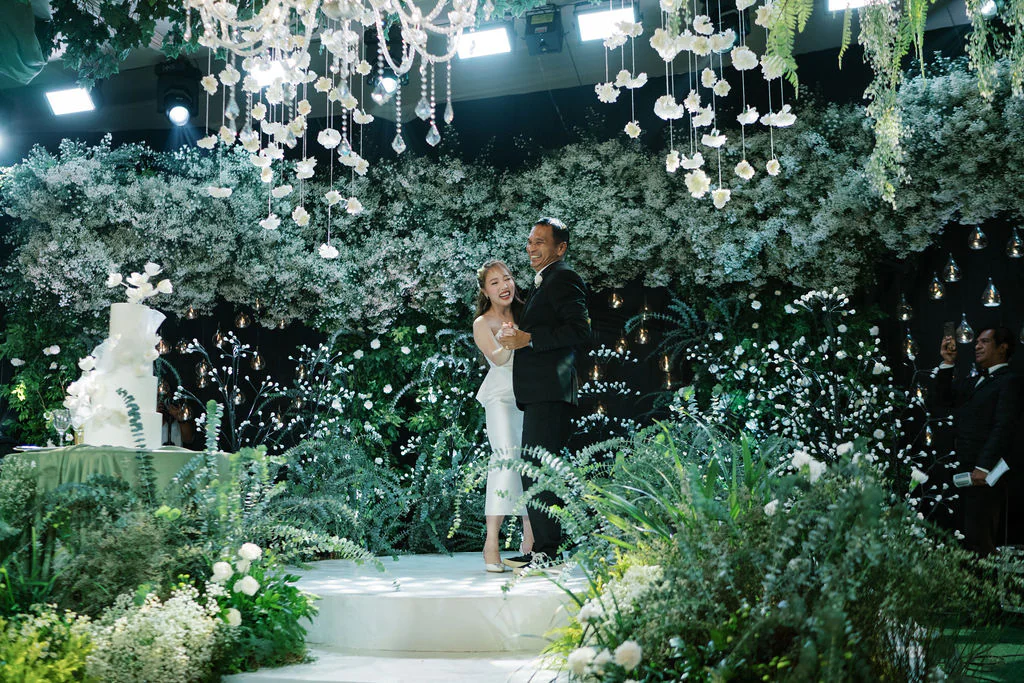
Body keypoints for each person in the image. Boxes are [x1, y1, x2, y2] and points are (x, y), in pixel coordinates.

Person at [499, 217, 591, 573]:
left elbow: (580, 331)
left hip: (552, 392)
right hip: (541, 393)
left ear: (560, 248)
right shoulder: (545, 281)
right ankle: (541, 548)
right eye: (530, 241)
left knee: (540, 472)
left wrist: (530, 339)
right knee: (535, 471)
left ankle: (548, 553)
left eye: (540, 242)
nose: (531, 248)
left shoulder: (564, 277)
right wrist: (520, 337)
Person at [933, 326, 1022, 556]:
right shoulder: (975, 381)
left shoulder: (1009, 381)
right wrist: (948, 363)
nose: (977, 346)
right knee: (962, 538)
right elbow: (943, 398)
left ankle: (985, 589)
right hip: (964, 471)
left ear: (1002, 348)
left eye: (985, 341)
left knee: (979, 539)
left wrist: (983, 467)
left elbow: (1004, 427)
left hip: (985, 475)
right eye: (977, 341)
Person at [472, 259, 534, 573]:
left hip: (531, 395)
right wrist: (509, 340)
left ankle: (531, 539)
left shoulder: (527, 311)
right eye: (494, 282)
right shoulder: (482, 323)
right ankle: (491, 541)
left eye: (506, 278)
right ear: (485, 291)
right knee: (506, 458)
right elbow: (497, 359)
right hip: (500, 396)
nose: (503, 286)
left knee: (530, 461)